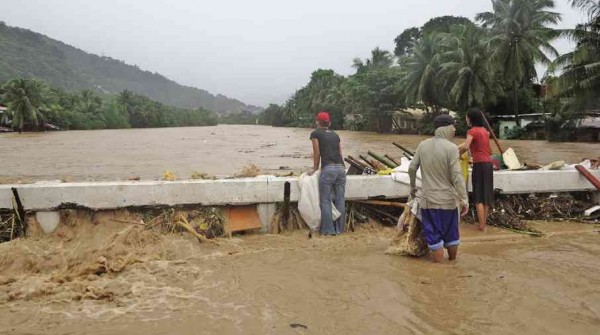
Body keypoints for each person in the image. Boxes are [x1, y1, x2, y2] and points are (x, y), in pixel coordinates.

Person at [408, 114, 468, 263]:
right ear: (445, 128)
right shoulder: (452, 148)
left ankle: (440, 271)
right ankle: (451, 267)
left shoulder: (423, 145)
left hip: (429, 203)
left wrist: (413, 188)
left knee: (434, 238)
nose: (454, 129)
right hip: (448, 202)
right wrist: (464, 199)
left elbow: (411, 168)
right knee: (452, 235)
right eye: (453, 126)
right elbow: (457, 175)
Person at [309, 111, 346, 235]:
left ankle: (328, 230)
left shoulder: (315, 134)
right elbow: (340, 153)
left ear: (317, 122)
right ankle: (340, 229)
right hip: (341, 168)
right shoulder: (336, 135)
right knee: (340, 199)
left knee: (325, 200)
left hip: (328, 169)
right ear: (328, 122)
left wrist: (315, 169)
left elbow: (317, 153)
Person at [459, 108, 493, 232]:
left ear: (470, 118)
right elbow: (489, 151)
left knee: (478, 195)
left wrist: (456, 153)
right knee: (486, 195)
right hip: (488, 164)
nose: (466, 119)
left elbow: (466, 146)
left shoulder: (471, 131)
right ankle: (484, 224)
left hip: (479, 165)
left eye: (467, 117)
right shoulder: (485, 131)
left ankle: (482, 226)